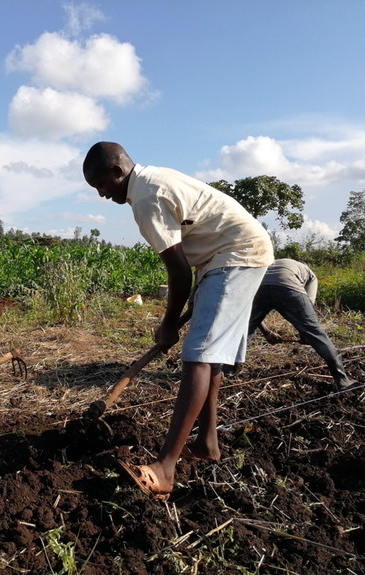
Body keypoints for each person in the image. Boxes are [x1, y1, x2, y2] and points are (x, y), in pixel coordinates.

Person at [83, 141, 274, 499]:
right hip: (227, 255)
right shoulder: (152, 179)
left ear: (116, 171)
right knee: (209, 355)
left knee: (198, 356)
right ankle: (206, 443)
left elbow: (178, 271)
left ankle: (165, 467)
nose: (102, 194)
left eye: (101, 186)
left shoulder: (146, 198)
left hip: (236, 255)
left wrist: (168, 323)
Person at [247, 258, 358, 390]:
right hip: (288, 289)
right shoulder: (310, 275)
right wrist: (305, 334)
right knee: (316, 333)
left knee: (245, 328)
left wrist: (267, 332)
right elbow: (307, 307)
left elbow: (250, 316)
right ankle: (342, 380)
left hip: (261, 287)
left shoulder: (273, 264)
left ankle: (228, 370)